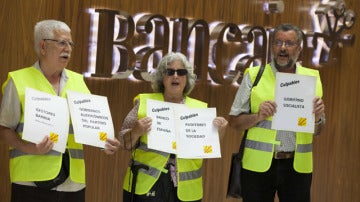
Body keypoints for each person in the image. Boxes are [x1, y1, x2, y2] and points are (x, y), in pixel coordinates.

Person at [0, 19, 120, 202]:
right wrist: (30, 148)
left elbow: (91, 126)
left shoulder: (78, 82)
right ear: (43, 47)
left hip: (73, 184)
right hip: (30, 183)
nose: (69, 49)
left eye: (70, 43)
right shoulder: (18, 80)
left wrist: (106, 142)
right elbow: (4, 128)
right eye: (62, 42)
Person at [228, 23, 326, 202]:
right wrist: (257, 116)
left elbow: (318, 130)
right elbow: (234, 122)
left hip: (297, 168)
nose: (282, 48)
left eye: (289, 43)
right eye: (278, 42)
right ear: (272, 46)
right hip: (257, 166)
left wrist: (318, 118)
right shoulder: (254, 75)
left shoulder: (311, 79)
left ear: (299, 49)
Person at [118, 52, 228, 202]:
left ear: (186, 78)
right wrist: (136, 131)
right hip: (146, 186)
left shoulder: (199, 110)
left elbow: (206, 150)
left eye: (181, 72)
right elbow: (124, 142)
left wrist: (219, 132)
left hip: (186, 191)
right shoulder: (144, 102)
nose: (175, 76)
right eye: (170, 72)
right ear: (162, 77)